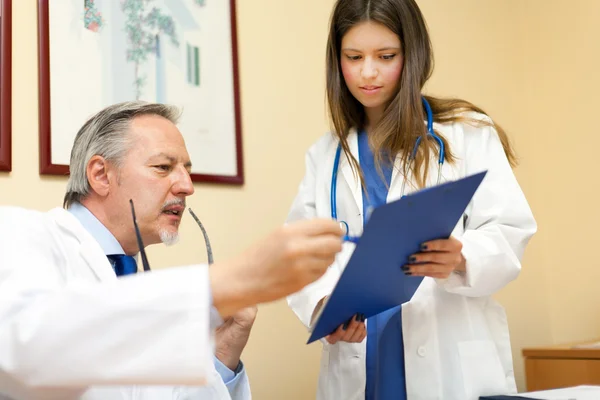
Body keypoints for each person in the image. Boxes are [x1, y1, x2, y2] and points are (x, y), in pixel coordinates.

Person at [0, 101, 344, 400]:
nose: (187, 186)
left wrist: (222, 355)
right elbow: (26, 352)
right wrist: (227, 281)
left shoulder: (139, 286)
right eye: (163, 168)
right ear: (101, 175)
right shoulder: (20, 234)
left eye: (186, 170)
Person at [286, 1, 537, 399]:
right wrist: (322, 308)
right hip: (359, 364)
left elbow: (510, 230)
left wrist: (461, 257)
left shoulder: (468, 134)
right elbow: (300, 255)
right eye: (354, 57)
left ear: (412, 54)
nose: (368, 72)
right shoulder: (325, 156)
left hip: (446, 364)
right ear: (338, 61)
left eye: (386, 56)